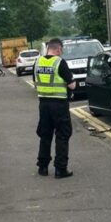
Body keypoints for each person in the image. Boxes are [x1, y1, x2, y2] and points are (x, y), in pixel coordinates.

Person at [33, 38, 75, 178]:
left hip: (43, 104)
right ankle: (60, 169)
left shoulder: (38, 62)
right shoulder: (59, 62)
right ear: (58, 49)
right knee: (62, 135)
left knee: (45, 135)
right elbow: (72, 85)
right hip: (59, 105)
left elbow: (35, 82)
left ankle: (43, 167)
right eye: (61, 50)